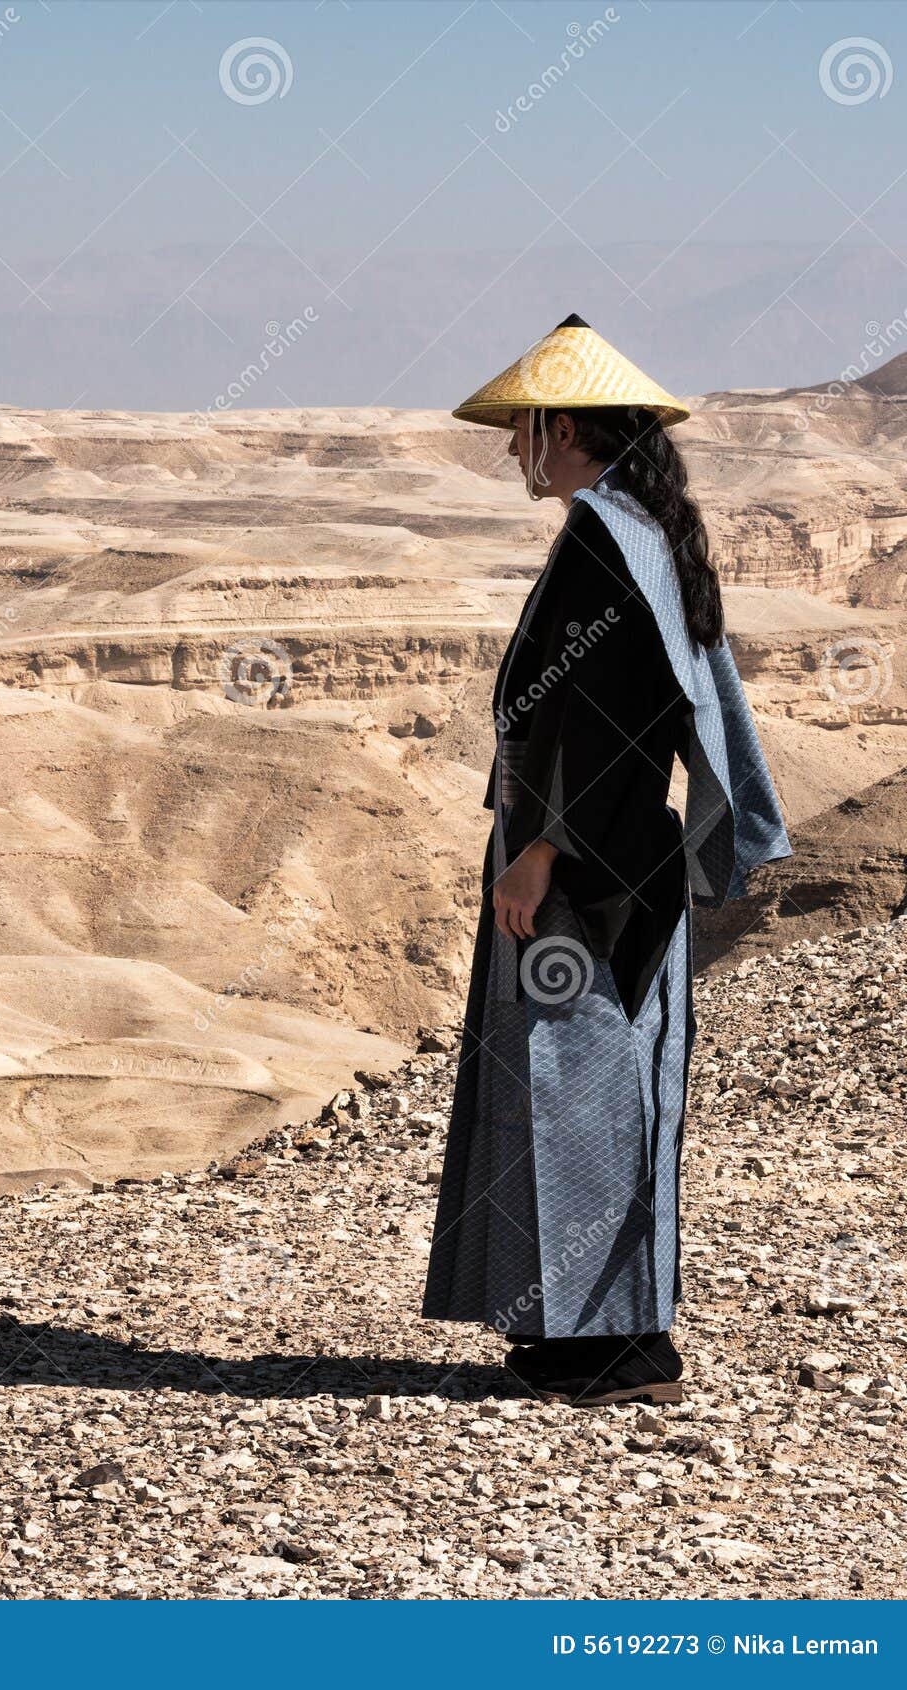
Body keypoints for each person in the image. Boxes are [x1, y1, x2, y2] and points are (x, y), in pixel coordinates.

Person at [421, 315, 791, 1406]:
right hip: (622, 857)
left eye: (521, 430)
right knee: (597, 1085)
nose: (509, 449)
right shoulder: (643, 527)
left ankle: (622, 1346)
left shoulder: (600, 534)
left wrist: (540, 849)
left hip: (587, 866)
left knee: (581, 1090)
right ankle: (583, 1328)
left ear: (566, 428)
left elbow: (608, 716)